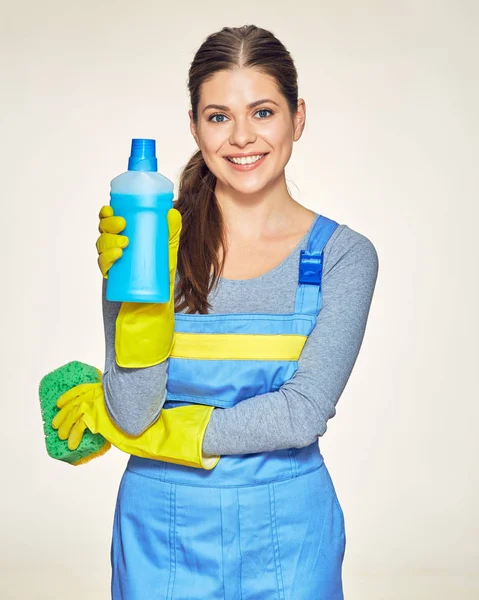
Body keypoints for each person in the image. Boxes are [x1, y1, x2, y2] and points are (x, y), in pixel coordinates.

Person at [98, 24, 378, 600]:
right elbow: (130, 412)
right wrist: (137, 292)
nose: (242, 137)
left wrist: (172, 435)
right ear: (195, 127)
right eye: (219, 116)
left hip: (290, 534)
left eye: (264, 112)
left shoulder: (342, 257)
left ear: (298, 118)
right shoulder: (150, 237)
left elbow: (301, 414)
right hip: (160, 529)